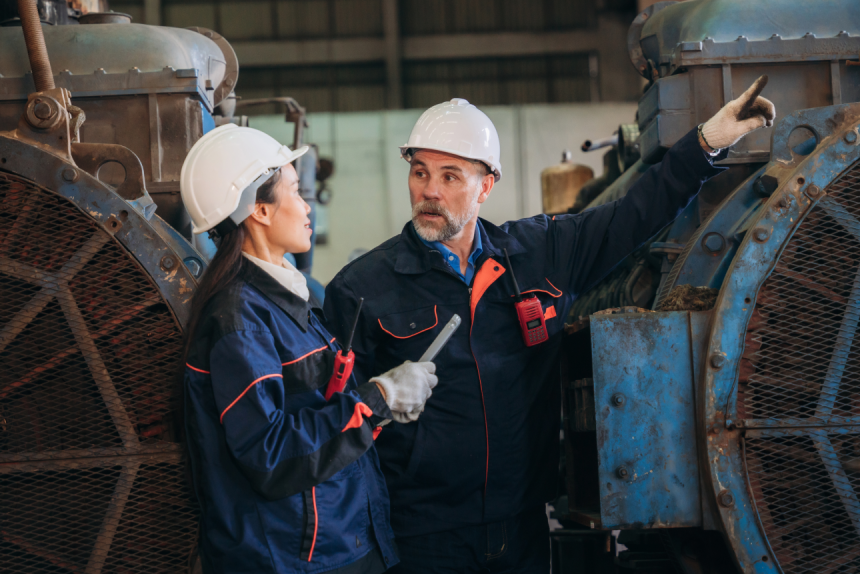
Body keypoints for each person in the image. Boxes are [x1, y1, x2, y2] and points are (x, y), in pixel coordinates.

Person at [324, 79, 775, 572]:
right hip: (421, 536)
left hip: (522, 527)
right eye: (420, 172)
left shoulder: (538, 255)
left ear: (486, 186)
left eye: (451, 176)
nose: (429, 191)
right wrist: (378, 400)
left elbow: (634, 214)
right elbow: (329, 424)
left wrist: (707, 141)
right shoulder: (360, 288)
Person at [178, 125, 438, 574]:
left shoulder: (286, 299)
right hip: (292, 557)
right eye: (296, 192)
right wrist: (378, 399)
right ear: (260, 210)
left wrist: (376, 404)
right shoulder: (240, 319)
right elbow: (270, 453)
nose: (306, 207)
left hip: (334, 541)